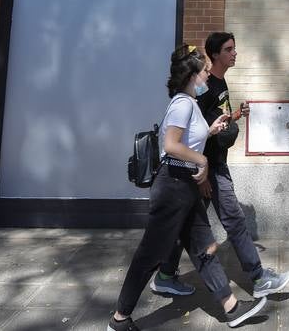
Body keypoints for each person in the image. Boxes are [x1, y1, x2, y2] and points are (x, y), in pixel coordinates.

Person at [109, 45, 269, 331]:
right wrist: (203, 160)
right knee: (149, 254)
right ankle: (120, 318)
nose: (208, 74)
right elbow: (171, 146)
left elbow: (188, 139)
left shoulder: (190, 104)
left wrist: (211, 130)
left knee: (205, 248)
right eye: (204, 70)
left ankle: (231, 308)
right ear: (192, 75)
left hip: (185, 187)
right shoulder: (182, 103)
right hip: (172, 187)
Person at [150, 32, 289, 300]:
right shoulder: (202, 89)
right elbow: (193, 135)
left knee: (186, 226)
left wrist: (235, 116)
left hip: (213, 165)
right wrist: (202, 177)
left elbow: (210, 123)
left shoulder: (219, 82)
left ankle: (165, 275)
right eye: (229, 49)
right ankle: (259, 278)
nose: (234, 53)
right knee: (235, 220)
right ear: (215, 55)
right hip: (209, 168)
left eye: (234, 48)